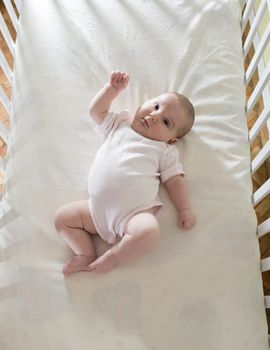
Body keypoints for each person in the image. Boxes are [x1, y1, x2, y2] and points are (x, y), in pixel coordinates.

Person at [55, 70, 196, 275]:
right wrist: (112, 90)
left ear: (172, 140)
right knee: (62, 218)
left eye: (166, 122)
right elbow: (96, 111)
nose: (155, 115)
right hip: (95, 211)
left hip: (132, 216)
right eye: (156, 106)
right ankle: (85, 254)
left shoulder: (164, 151)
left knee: (149, 231)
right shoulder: (120, 124)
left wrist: (184, 209)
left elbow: (175, 181)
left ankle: (114, 256)